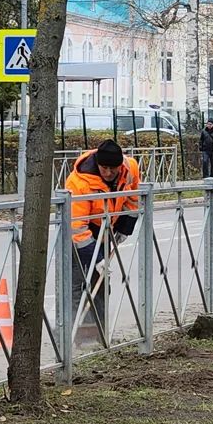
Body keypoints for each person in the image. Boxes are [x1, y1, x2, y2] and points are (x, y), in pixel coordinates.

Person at [65, 139, 140, 345]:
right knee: (77, 284)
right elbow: (77, 227)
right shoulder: (79, 182)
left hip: (106, 230)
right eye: (104, 168)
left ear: (120, 165)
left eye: (112, 169)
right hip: (78, 235)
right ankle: (72, 335)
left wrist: (124, 229)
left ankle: (98, 333)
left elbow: (132, 199)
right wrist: (96, 257)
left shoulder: (130, 168)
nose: (108, 173)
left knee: (100, 284)